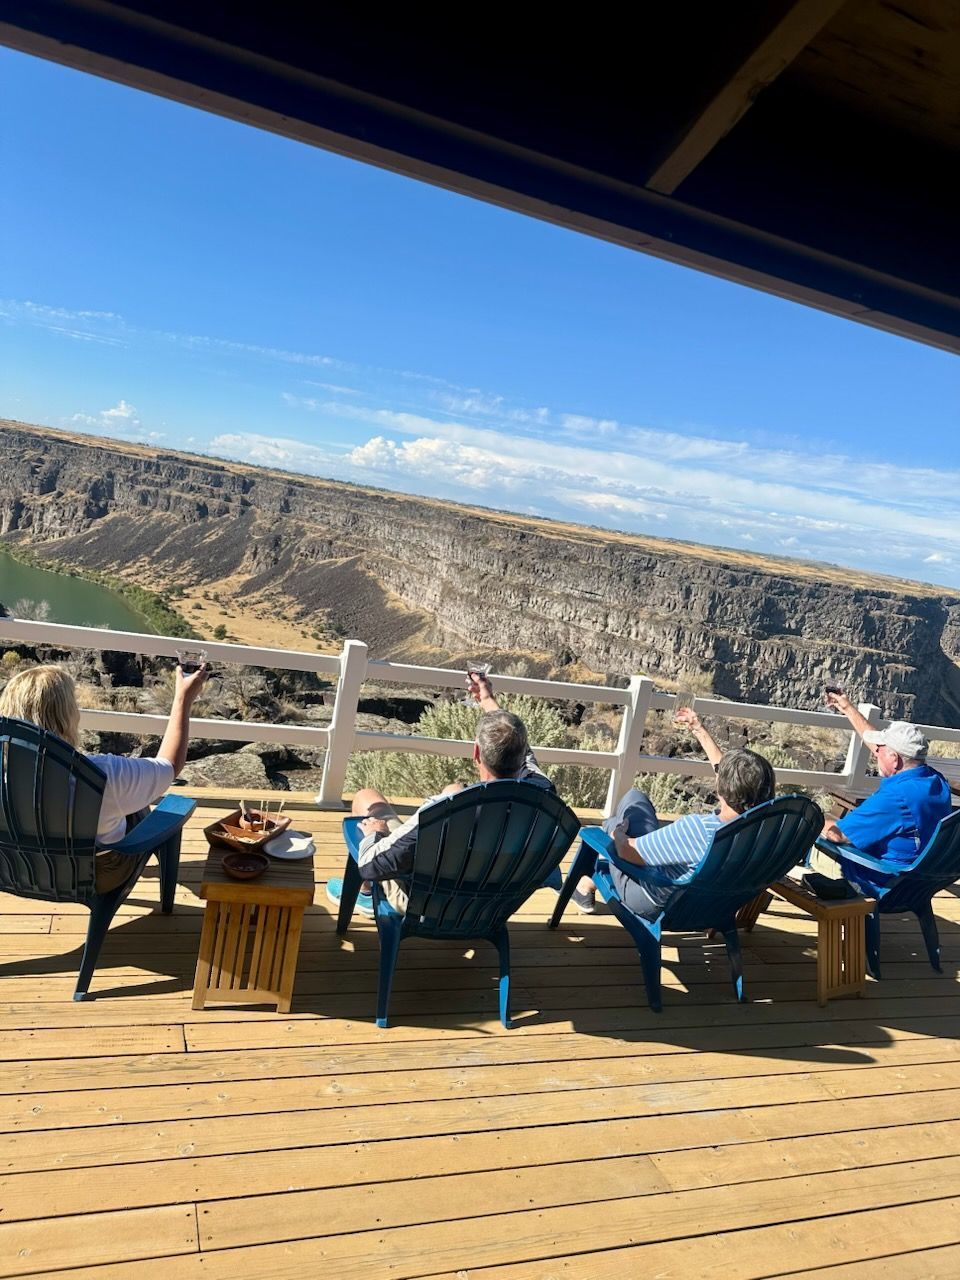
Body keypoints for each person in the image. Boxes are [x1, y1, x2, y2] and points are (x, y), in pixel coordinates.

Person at [326, 670, 554, 917]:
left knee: (366, 799)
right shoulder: (542, 791)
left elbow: (371, 865)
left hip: (428, 902)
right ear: (522, 756)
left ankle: (366, 894)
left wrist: (375, 833)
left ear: (476, 753)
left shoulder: (447, 811)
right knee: (452, 789)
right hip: (489, 906)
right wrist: (487, 700)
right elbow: (520, 747)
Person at [0, 662, 207, 891]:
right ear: (66, 716)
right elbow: (170, 766)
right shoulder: (101, 775)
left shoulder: (6, 775)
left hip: (17, 872)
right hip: (96, 877)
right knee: (140, 805)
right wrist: (183, 699)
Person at [573, 706, 776, 919]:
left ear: (721, 789)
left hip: (655, 900)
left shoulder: (699, 830)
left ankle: (586, 881)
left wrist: (616, 830)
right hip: (715, 906)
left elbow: (626, 851)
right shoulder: (767, 832)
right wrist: (698, 729)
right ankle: (586, 885)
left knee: (626, 811)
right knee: (636, 807)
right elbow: (726, 772)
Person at [811, 688, 952, 878]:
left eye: (880, 750)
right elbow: (877, 744)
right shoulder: (936, 781)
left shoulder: (896, 799)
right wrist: (847, 708)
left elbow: (837, 835)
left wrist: (811, 818)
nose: (875, 753)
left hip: (879, 879)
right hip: (918, 881)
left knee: (806, 839)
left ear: (894, 759)